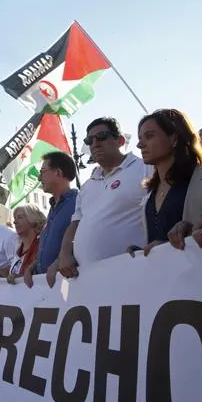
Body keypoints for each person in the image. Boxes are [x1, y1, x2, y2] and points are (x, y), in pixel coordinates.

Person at [129, 109, 202, 255]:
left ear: (174, 139)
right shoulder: (149, 196)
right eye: (140, 138)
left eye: (149, 136)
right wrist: (143, 254)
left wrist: (187, 237)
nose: (140, 144)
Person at [57, 117, 152, 281]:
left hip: (133, 274)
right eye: (89, 140)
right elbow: (75, 223)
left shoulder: (145, 168)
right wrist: (64, 255)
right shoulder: (87, 186)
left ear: (120, 140)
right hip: (89, 280)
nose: (95, 143)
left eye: (101, 136)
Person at [23, 151, 77, 288]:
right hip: (47, 289)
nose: (39, 178)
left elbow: (80, 241)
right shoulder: (52, 207)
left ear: (58, 173)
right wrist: (32, 267)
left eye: (42, 171)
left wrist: (59, 262)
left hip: (68, 287)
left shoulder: (78, 203)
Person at [0, 205, 45, 285]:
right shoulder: (19, 248)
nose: (15, 222)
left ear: (33, 220)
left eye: (20, 217)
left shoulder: (42, 246)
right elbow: (12, 270)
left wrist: (20, 277)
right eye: (15, 218)